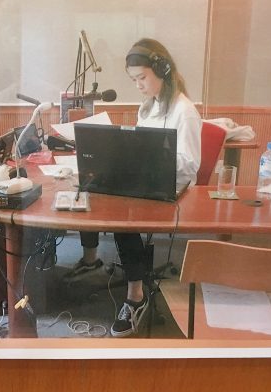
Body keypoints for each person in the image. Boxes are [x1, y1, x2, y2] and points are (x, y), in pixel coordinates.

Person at [64, 38, 202, 337]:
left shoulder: (185, 111)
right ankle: (90, 258)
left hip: (170, 190)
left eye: (142, 78)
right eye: (133, 80)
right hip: (145, 180)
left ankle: (135, 295)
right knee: (93, 185)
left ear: (162, 70)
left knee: (122, 217)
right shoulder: (148, 106)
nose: (138, 85)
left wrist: (150, 165)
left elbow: (190, 166)